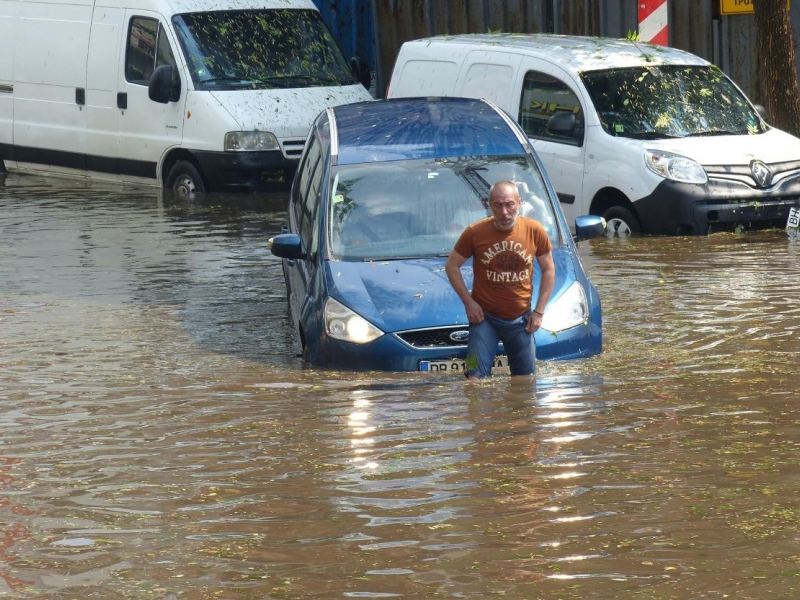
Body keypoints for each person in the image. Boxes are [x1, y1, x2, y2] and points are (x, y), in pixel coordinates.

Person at [444, 180, 555, 380]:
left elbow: (548, 269)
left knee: (526, 381)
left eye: (509, 204)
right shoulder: (474, 232)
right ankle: (476, 410)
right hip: (483, 319)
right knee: (473, 376)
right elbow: (451, 266)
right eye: (498, 205)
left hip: (521, 319)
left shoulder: (534, 230)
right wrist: (469, 303)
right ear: (489, 206)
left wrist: (539, 311)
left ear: (519, 203)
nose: (504, 212)